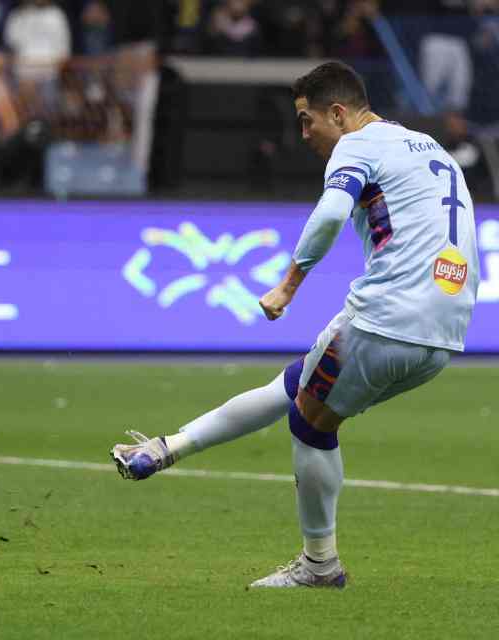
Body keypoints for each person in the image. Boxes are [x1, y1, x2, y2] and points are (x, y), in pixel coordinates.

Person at [110, 61, 480, 589]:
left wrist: (288, 285)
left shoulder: (358, 146)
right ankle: (167, 448)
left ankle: (318, 566)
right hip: (445, 330)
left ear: (339, 112)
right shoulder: (429, 147)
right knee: (293, 388)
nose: (304, 134)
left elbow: (330, 215)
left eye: (308, 120)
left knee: (310, 424)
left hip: (386, 317)